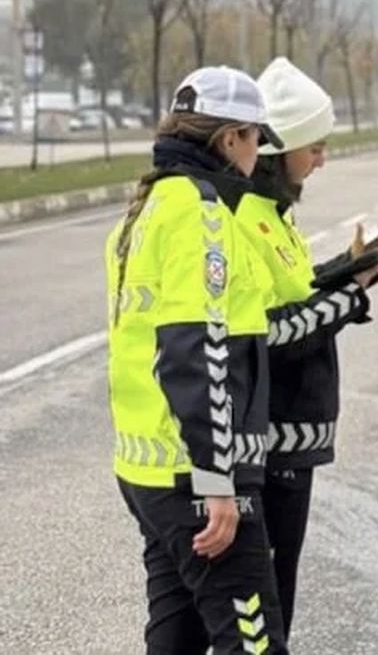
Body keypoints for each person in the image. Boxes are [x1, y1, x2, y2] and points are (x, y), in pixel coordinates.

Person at [106, 66, 290, 654]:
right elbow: (196, 346)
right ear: (230, 137)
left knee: (176, 639)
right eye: (256, 138)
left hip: (146, 470)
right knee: (255, 646)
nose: (258, 154)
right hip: (196, 475)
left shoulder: (146, 208)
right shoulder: (200, 211)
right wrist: (218, 481)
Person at [239, 57, 378, 636]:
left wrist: (352, 268)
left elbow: (300, 294)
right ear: (282, 150)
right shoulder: (245, 220)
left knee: (281, 593)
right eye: (316, 146)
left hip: (295, 438)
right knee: (267, 607)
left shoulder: (276, 216)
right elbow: (274, 333)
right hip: (271, 440)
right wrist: (350, 295)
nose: (323, 158)